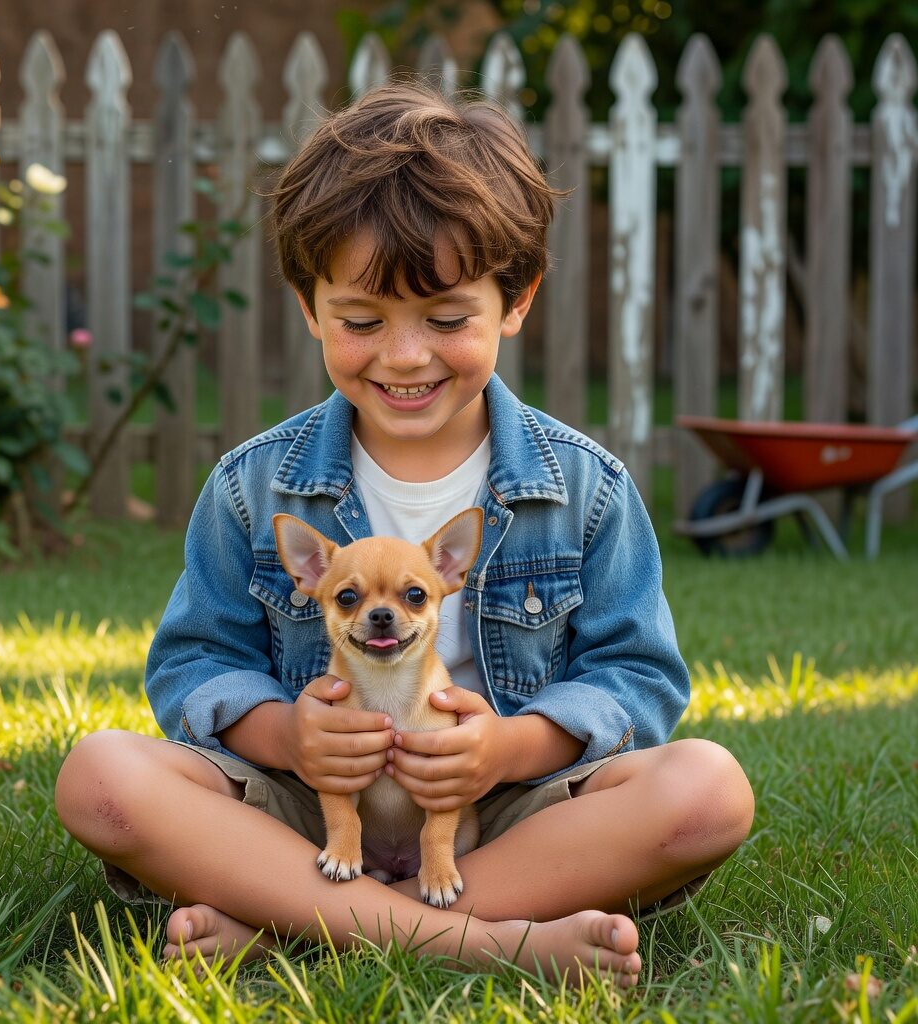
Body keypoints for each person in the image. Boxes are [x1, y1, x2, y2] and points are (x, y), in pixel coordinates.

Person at [54, 80, 754, 986]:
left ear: (516, 300)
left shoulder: (584, 489)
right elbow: (194, 666)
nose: (406, 354)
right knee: (100, 776)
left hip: (501, 820)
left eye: (447, 318)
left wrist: (509, 750)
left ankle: (294, 924)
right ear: (309, 306)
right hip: (309, 817)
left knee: (708, 790)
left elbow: (637, 679)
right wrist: (287, 739)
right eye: (361, 320)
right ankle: (488, 943)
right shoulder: (253, 486)